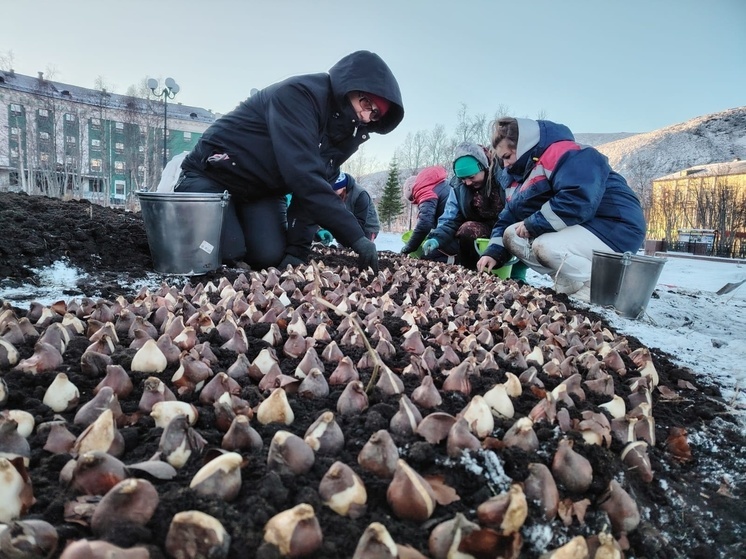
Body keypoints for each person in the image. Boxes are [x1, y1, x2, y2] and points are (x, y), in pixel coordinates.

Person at [175, 50, 404, 273]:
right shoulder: (299, 95)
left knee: (268, 256)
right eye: (366, 104)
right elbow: (304, 176)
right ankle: (191, 205)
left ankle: (236, 225)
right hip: (214, 173)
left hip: (260, 191)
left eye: (374, 114)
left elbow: (315, 188)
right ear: (349, 87)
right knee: (225, 253)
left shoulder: (345, 133)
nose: (366, 117)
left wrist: (297, 251)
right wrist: (355, 237)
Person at [477, 117, 646, 300]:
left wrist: (534, 223)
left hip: (615, 226)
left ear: (523, 145)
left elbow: (578, 199)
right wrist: (493, 252)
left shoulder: (566, 153)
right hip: (584, 227)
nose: (506, 165)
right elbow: (508, 217)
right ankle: (569, 281)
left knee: (545, 246)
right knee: (512, 234)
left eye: (508, 157)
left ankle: (601, 286)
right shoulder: (521, 176)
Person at [420, 143, 505, 269]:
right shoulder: (459, 188)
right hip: (479, 230)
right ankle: (471, 270)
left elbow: (515, 210)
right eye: (463, 179)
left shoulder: (502, 177)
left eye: (471, 177)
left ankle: (516, 273)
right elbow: (452, 218)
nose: (468, 182)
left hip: (505, 226)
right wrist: (437, 238)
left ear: (483, 167)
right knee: (466, 229)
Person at [399, 165, 452, 260]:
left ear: (410, 189)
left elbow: (424, 224)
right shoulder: (439, 184)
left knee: (427, 257)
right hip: (454, 227)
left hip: (453, 231)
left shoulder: (423, 190)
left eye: (413, 199)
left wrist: (409, 247)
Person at [315, 172, 380, 245]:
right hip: (347, 223)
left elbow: (360, 223)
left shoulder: (361, 195)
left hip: (366, 227)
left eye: (335, 190)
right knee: (343, 250)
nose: (333, 193)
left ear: (343, 187)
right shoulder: (336, 195)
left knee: (361, 248)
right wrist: (325, 230)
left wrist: (337, 232)